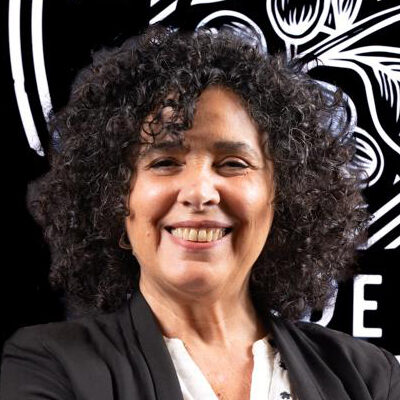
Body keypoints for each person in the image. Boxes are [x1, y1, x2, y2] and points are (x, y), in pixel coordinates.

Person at [1, 24, 399, 400]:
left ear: (284, 196)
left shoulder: (367, 377)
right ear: (115, 199)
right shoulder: (49, 366)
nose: (199, 192)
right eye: (164, 162)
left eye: (233, 164)